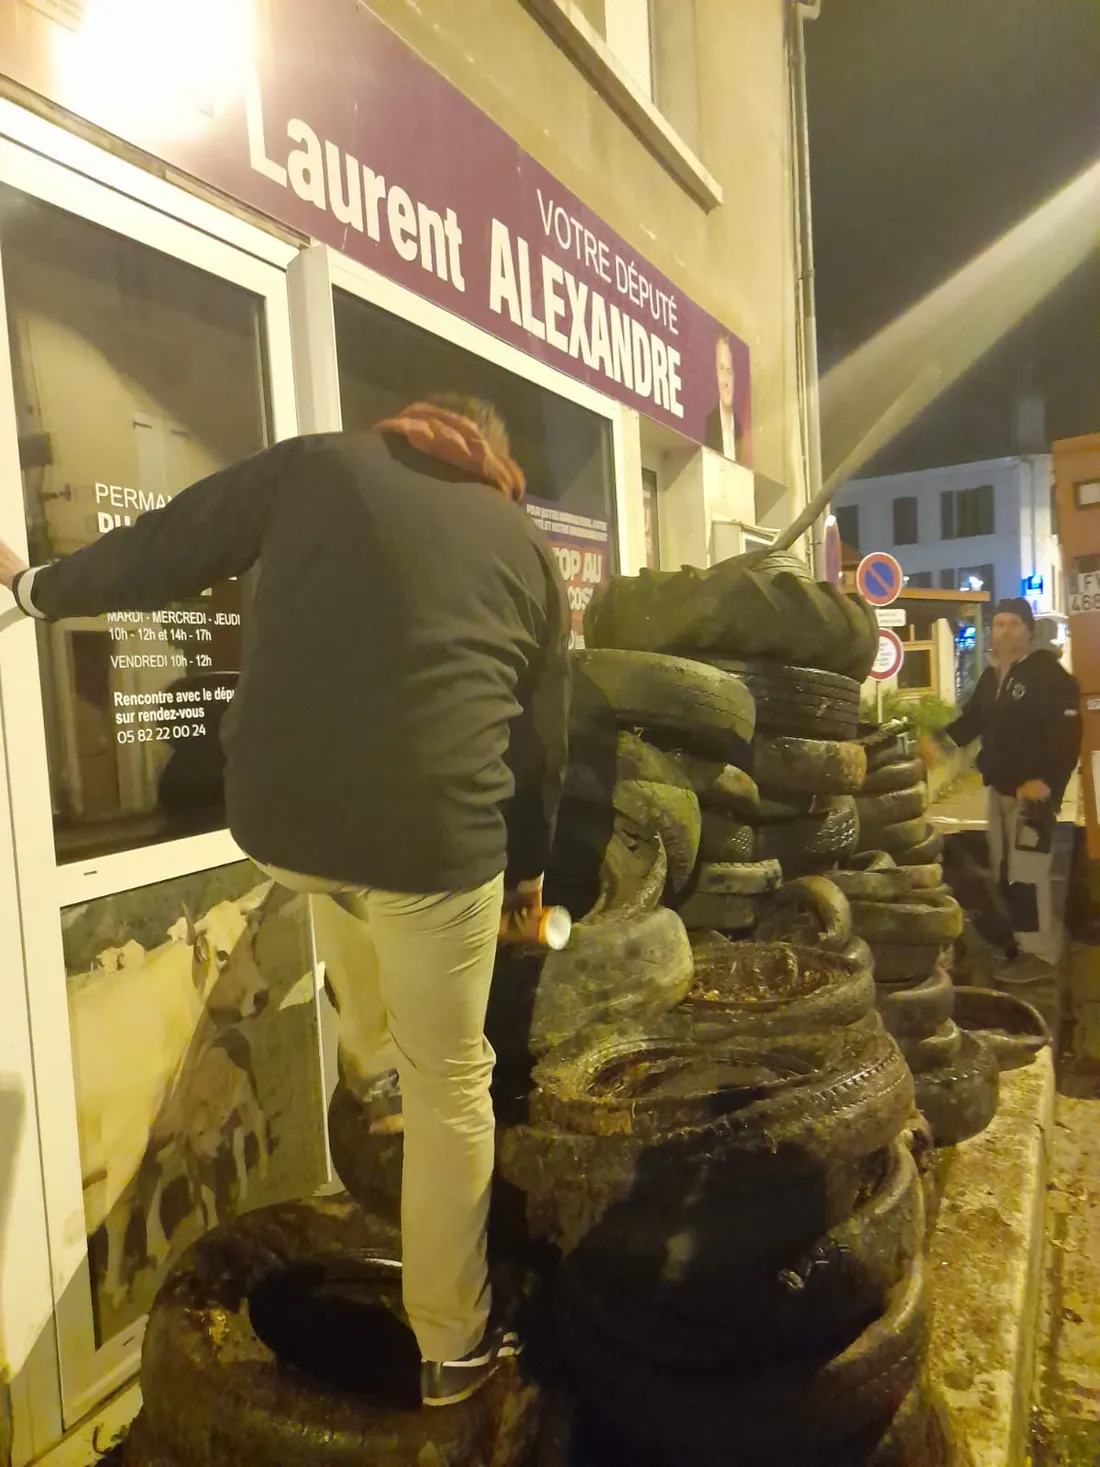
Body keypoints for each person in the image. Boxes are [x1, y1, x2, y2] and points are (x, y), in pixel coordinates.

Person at [0, 395, 570, 1407]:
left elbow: (168, 544)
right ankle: (452, 1347)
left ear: (410, 428)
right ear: (494, 460)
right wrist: (526, 877)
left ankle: (374, 1069)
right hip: (432, 843)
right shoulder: (523, 547)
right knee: (454, 1084)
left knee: (350, 890)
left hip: (280, 830)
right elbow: (539, 746)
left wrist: (35, 588)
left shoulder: (314, 464)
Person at [933, 597, 1080, 984]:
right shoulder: (993, 677)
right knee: (1007, 874)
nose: (1004, 631)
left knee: (1028, 876)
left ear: (1028, 630)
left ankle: (1041, 955)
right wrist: (937, 744)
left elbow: (1067, 734)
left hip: (1032, 797)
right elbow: (971, 722)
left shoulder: (1048, 674)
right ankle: (1022, 942)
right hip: (998, 792)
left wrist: (1048, 782)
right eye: (998, 624)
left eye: (1013, 624)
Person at [705, 335, 740, 462]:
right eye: (722, 370)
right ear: (715, 374)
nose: (726, 382)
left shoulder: (742, 433)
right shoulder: (708, 426)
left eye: (729, 372)